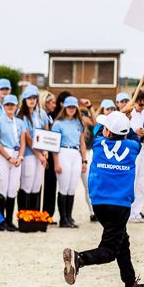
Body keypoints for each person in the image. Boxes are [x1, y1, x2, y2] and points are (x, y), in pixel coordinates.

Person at [62, 106, 144, 287]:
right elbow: (134, 137)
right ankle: (79, 258)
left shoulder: (99, 143)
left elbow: (99, 130)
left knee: (122, 242)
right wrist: (128, 124)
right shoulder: (133, 147)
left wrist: (122, 116)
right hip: (120, 206)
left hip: (100, 205)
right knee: (110, 250)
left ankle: (131, 286)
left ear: (108, 132)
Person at [51, 96, 87, 228]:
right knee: (64, 186)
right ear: (65, 108)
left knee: (72, 187)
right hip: (63, 152)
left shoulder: (78, 123)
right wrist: (56, 163)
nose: (71, 109)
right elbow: (54, 145)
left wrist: (84, 160)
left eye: (73, 107)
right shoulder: (58, 123)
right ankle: (63, 219)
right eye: (69, 107)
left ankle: (69, 217)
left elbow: (82, 142)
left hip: (76, 154)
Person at [0, 94, 23, 231]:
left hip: (16, 155)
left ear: (16, 106)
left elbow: (22, 142)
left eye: (12, 105)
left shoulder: (20, 122)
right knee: (2, 185)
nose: (10, 107)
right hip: (3, 154)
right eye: (7, 105)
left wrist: (20, 157)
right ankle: (0, 220)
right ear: (3, 106)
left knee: (13, 187)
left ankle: (9, 220)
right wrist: (9, 158)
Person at [16, 85, 50, 217]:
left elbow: (46, 132)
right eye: (29, 98)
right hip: (29, 155)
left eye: (34, 98)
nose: (32, 100)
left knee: (36, 185)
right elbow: (28, 139)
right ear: (24, 100)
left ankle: (35, 217)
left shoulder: (42, 114)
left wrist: (45, 151)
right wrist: (39, 155)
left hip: (41, 155)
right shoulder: (21, 116)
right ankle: (24, 217)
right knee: (27, 184)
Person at [127, 91, 144, 223]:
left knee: (142, 182)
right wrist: (136, 132)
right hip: (134, 148)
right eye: (140, 104)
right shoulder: (129, 113)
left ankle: (136, 212)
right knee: (133, 180)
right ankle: (128, 211)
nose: (142, 107)